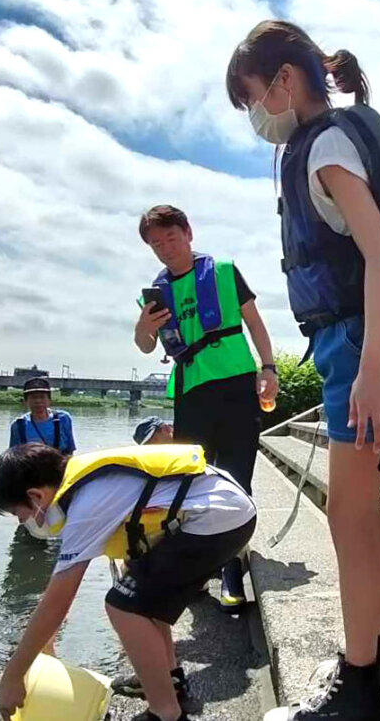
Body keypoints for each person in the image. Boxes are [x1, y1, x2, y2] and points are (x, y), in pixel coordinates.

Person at [227, 20, 380, 721]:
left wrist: (371, 369)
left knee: (347, 517)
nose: (256, 117)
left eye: (253, 98)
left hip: (361, 343)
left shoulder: (325, 149)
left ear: (285, 81)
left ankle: (358, 685)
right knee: (363, 514)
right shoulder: (333, 139)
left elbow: (379, 255)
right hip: (366, 338)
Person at [0, 442, 256, 721]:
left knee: (122, 605)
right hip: (226, 510)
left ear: (36, 496)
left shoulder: (87, 503)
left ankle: (165, 713)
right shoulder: (84, 486)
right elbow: (60, 588)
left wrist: (13, 676)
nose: (22, 522)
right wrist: (45, 643)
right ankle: (169, 681)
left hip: (217, 519)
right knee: (137, 593)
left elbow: (58, 599)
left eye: (18, 514)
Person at [134, 204, 276, 612]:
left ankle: (232, 568)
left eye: (170, 238)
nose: (164, 249)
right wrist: (144, 327)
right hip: (190, 391)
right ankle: (197, 566)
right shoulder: (157, 291)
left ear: (188, 232)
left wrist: (268, 368)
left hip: (235, 384)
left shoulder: (226, 271)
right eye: (156, 244)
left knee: (235, 475)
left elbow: (255, 322)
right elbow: (146, 346)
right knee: (191, 481)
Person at [9, 377, 76, 456]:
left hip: (60, 465)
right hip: (30, 466)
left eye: (42, 397)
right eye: (33, 398)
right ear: (25, 402)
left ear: (49, 400)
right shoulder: (18, 425)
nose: (38, 401)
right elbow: (14, 456)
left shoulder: (63, 418)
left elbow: (70, 450)